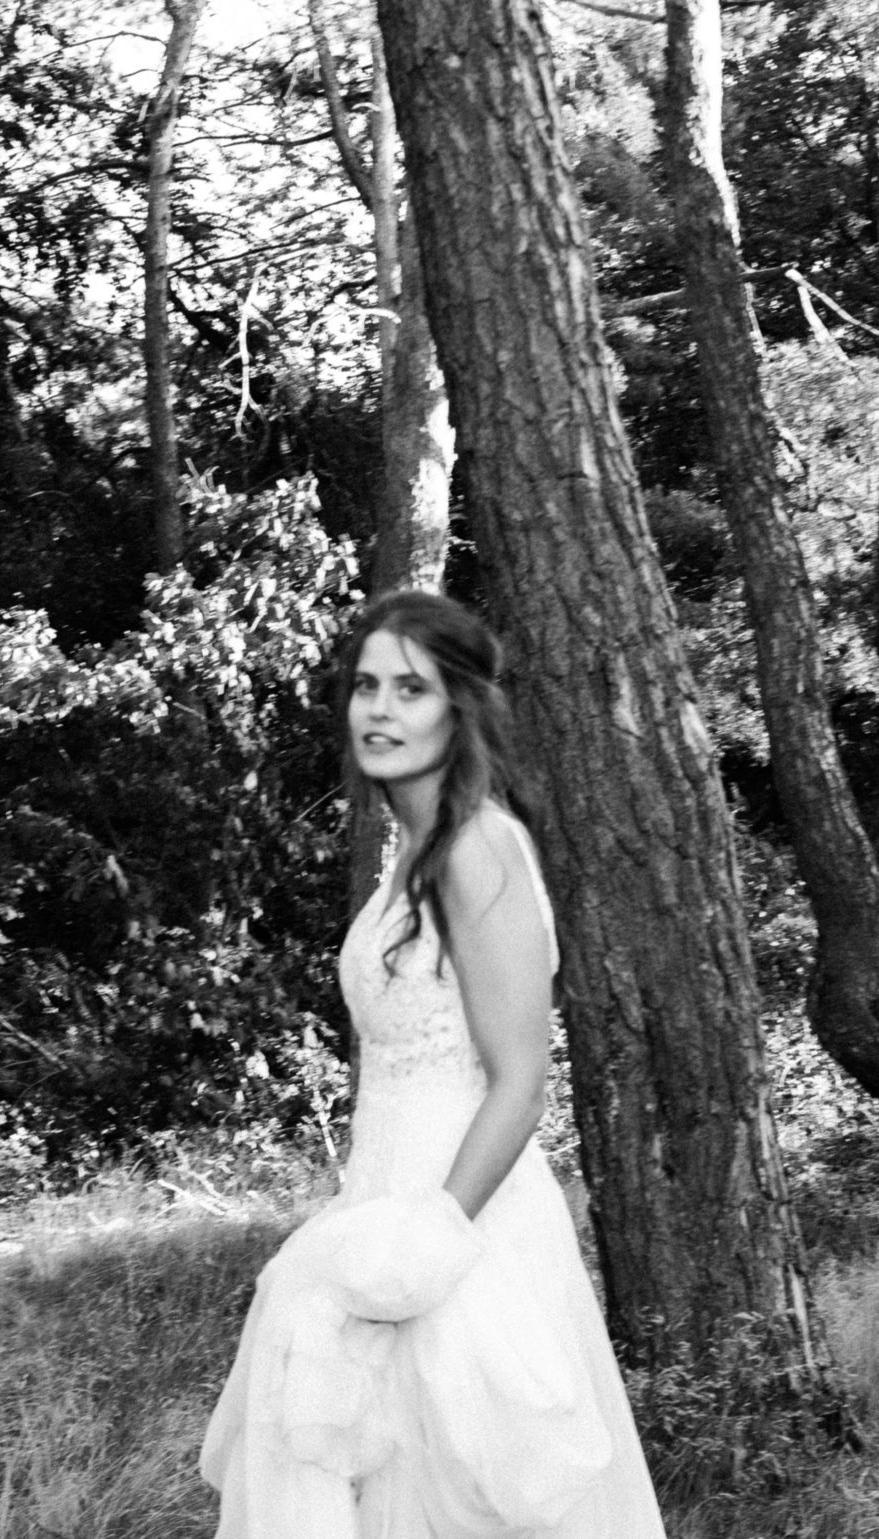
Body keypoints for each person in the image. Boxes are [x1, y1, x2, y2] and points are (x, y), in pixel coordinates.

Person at [202, 590, 666, 1538]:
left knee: (464, 1488)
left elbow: (520, 1081)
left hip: (464, 1217)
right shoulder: (411, 854)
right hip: (377, 1196)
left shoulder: (480, 849)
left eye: (409, 689)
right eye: (366, 686)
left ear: (461, 707)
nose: (379, 709)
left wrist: (429, 1238)